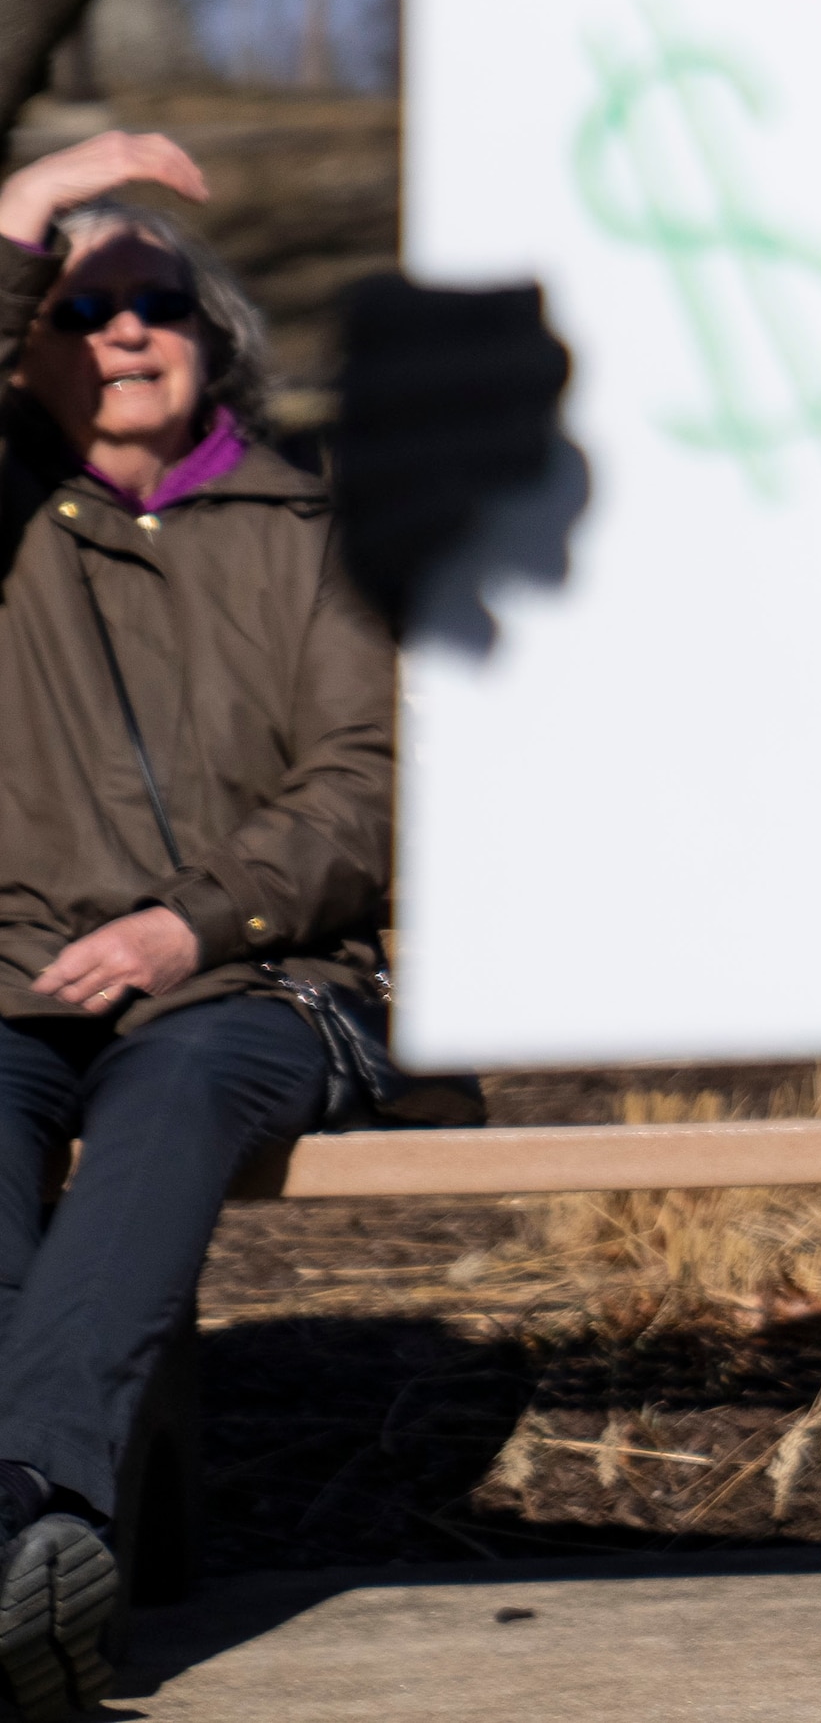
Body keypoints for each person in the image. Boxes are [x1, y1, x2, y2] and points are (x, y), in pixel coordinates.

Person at [0, 133, 394, 1709]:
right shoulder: (10, 528)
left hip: (257, 982)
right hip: (13, 985)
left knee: (172, 1103)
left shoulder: (312, 537)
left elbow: (366, 783)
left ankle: (31, 1516)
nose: (126, 331)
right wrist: (21, 210)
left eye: (155, 297)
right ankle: (35, 1557)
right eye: (80, 307)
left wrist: (190, 925)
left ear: (212, 328)